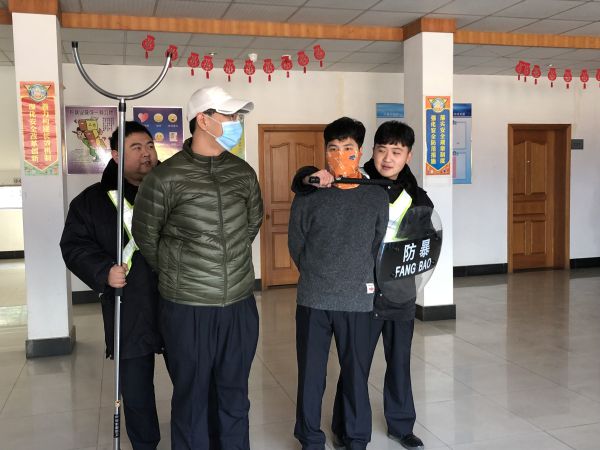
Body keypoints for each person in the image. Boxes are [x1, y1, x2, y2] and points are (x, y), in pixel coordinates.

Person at [132, 85, 263, 450]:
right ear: (203, 121)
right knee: (192, 400)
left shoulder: (243, 173)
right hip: (187, 308)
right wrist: (182, 272)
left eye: (237, 116)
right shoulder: (165, 178)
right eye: (229, 116)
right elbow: (146, 236)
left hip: (238, 305)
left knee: (235, 396)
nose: (236, 122)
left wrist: (225, 264)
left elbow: (251, 223)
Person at [292, 120, 433, 450]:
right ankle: (342, 428)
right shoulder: (350, 180)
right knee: (355, 368)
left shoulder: (416, 196)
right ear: (370, 151)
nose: (388, 158)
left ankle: (400, 425)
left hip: (396, 291)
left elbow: (422, 244)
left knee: (398, 361)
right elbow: (304, 189)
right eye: (382, 150)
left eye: (396, 152)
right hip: (358, 292)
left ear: (408, 156)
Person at [60, 121, 163, 450]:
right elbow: (74, 246)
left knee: (192, 379)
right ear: (116, 155)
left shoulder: (172, 190)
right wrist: (103, 271)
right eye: (137, 147)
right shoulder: (91, 202)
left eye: (150, 146)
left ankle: (195, 438)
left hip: (177, 301)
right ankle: (145, 444)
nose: (146, 154)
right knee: (136, 390)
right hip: (128, 306)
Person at [288, 117, 389, 450]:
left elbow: (377, 244)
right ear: (325, 151)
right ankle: (310, 438)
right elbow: (296, 242)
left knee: (356, 374)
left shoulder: (375, 196)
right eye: (333, 147)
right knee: (311, 375)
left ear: (360, 151)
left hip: (358, 299)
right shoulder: (309, 193)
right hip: (314, 298)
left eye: (348, 147)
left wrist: (358, 275)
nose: (340, 154)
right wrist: (317, 272)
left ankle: (356, 437)